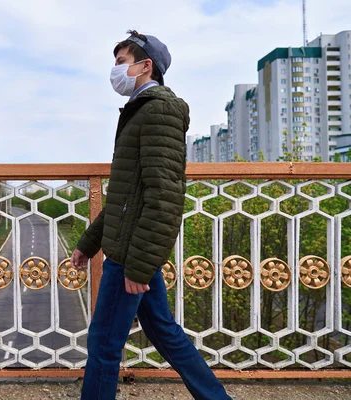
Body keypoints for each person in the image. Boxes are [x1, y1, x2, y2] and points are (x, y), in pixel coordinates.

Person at [71, 30, 231, 400]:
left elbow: (165, 195)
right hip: (133, 244)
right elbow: (126, 195)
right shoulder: (140, 111)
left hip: (131, 253)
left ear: (145, 66)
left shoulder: (158, 110)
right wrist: (87, 245)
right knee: (163, 331)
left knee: (104, 345)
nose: (115, 70)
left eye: (121, 62)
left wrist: (139, 266)